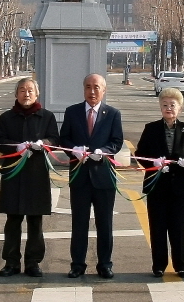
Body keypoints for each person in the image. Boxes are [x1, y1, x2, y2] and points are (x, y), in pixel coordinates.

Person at [59, 73, 124, 279]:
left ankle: (105, 264)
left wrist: (103, 151)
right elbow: (63, 139)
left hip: (104, 177)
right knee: (79, 223)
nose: (92, 91)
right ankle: (77, 264)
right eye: (88, 87)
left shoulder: (112, 113)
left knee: (104, 223)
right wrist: (73, 150)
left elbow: (117, 141)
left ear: (103, 90)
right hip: (79, 176)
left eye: (96, 87)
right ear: (83, 89)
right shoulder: (72, 112)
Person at [0, 77, 59, 278]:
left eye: (30, 90)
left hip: (36, 174)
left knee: (35, 220)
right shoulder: (7, 118)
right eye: (22, 90)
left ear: (37, 93)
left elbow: (56, 140)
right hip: (13, 173)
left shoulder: (46, 116)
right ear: (16, 94)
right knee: (12, 220)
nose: (26, 93)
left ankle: (33, 262)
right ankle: (11, 262)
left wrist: (45, 143)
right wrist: (16, 147)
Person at [134, 87, 184, 278]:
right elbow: (140, 153)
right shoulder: (151, 128)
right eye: (164, 105)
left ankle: (180, 264)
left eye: (172, 105)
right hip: (157, 184)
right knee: (158, 226)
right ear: (160, 107)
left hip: (180, 185)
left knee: (179, 226)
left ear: (180, 108)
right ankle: (159, 265)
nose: (168, 108)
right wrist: (152, 163)